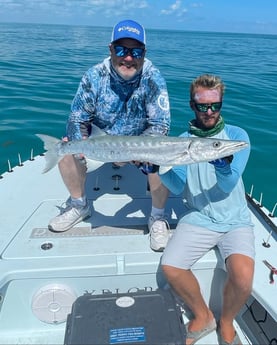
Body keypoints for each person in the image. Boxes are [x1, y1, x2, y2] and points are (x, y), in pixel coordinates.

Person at [48, 19, 171, 252]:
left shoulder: (154, 79)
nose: (128, 57)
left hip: (138, 151)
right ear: (110, 49)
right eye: (121, 49)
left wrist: (134, 152)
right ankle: (79, 205)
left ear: (143, 53)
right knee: (66, 149)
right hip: (98, 145)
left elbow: (160, 124)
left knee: (164, 156)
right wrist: (82, 146)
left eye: (135, 51)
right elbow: (77, 118)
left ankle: (157, 217)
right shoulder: (94, 76)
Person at [160, 74, 255, 345]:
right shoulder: (180, 141)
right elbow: (178, 186)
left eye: (215, 105)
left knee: (244, 276)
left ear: (221, 104)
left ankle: (226, 320)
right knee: (171, 267)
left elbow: (228, 185)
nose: (209, 112)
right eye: (202, 106)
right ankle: (203, 317)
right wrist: (157, 170)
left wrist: (223, 164)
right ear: (192, 105)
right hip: (199, 216)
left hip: (235, 219)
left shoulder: (236, 137)